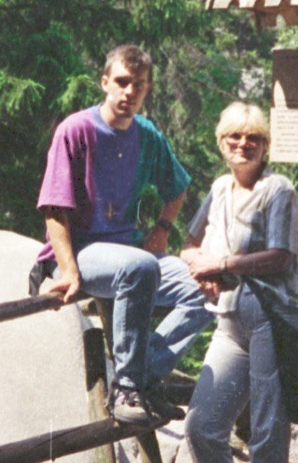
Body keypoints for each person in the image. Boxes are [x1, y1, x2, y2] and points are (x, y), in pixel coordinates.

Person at [30, 44, 208, 425]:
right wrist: (69, 272)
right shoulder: (75, 130)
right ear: (105, 82)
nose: (129, 92)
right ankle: (127, 388)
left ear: (147, 90)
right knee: (140, 267)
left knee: (202, 289)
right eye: (123, 82)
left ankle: (142, 374)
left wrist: (162, 230)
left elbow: (177, 187)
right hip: (81, 250)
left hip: (128, 254)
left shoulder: (146, 135)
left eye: (139, 85)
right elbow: (53, 209)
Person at [180, 102, 298, 463]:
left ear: (265, 144)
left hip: (273, 321)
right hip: (231, 322)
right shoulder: (218, 190)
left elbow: (281, 257)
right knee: (202, 426)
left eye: (253, 138)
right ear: (221, 143)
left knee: (266, 434)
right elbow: (189, 245)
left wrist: (225, 263)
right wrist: (204, 268)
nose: (243, 145)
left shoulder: (278, 190)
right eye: (234, 137)